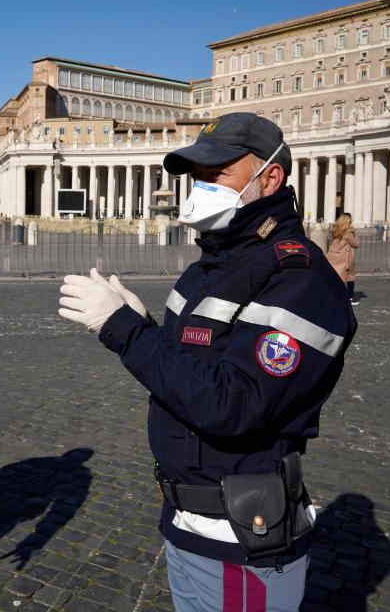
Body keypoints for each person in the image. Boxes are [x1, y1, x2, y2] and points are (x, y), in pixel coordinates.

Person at [58, 113, 357, 611]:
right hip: (188, 523)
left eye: (217, 174)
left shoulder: (300, 278)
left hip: (243, 539)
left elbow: (233, 404)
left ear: (271, 177)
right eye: (196, 174)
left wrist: (124, 330)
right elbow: (190, 369)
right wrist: (146, 324)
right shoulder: (211, 268)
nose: (200, 185)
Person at [327, 212, 360, 305]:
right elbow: (356, 244)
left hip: (333, 256)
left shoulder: (334, 229)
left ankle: (332, 295)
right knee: (350, 277)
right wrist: (355, 233)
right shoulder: (349, 233)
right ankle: (349, 297)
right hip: (344, 257)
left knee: (333, 276)